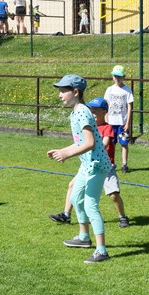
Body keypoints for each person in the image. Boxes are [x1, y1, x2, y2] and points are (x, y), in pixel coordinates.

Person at [47, 75, 112, 263]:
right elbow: (79, 142)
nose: (60, 95)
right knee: (75, 197)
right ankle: (84, 238)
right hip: (87, 164)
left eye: (63, 91)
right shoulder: (75, 112)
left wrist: (67, 154)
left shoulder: (83, 111)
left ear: (75, 92)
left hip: (97, 165)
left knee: (91, 205)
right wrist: (62, 150)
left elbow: (90, 143)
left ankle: (102, 251)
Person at [49, 97, 130, 228]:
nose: (92, 114)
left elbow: (104, 144)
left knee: (113, 195)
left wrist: (88, 146)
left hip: (105, 167)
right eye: (90, 111)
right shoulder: (90, 127)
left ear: (104, 113)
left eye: (95, 111)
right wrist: (63, 150)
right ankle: (66, 214)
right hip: (89, 166)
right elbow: (80, 142)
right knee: (72, 185)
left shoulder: (106, 128)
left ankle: (122, 216)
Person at [104, 65, 134, 173]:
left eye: (119, 76)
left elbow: (129, 107)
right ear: (112, 77)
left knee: (124, 143)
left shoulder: (127, 91)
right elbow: (106, 106)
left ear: (124, 77)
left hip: (122, 122)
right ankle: (111, 163)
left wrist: (128, 123)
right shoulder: (109, 90)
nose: (117, 78)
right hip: (111, 122)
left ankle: (124, 164)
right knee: (111, 143)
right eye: (115, 76)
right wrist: (106, 119)